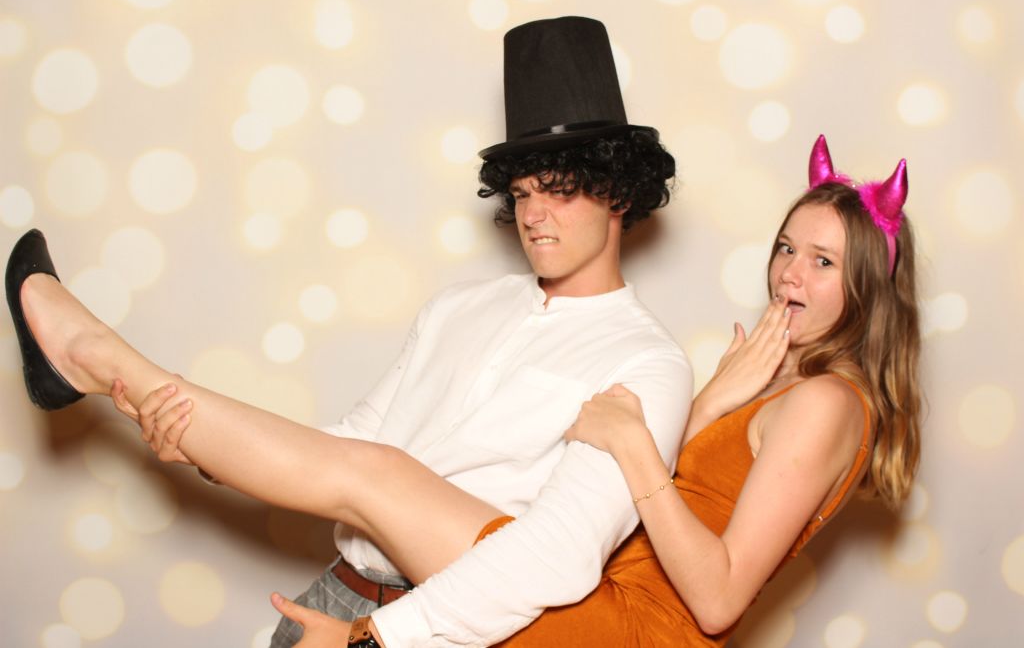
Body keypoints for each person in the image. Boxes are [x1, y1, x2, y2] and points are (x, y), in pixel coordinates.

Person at [5, 16, 692, 647]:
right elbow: (347, 446)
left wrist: (375, 637)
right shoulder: (457, 307)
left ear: (619, 190)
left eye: (560, 189)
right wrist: (205, 447)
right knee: (366, 462)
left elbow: (559, 555)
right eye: (522, 193)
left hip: (439, 627)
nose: (534, 215)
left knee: (380, 475)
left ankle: (91, 355)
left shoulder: (646, 361)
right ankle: (98, 365)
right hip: (336, 594)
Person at [134, 133, 924, 648]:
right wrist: (712, 403)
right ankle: (131, 381)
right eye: (786, 247)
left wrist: (636, 447)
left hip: (616, 631)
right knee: (371, 468)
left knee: (377, 475)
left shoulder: (826, 402)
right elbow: (686, 499)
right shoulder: (781, 386)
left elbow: (717, 599)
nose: (789, 273)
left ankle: (108, 365)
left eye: (823, 261)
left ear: (867, 282)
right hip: (515, 602)